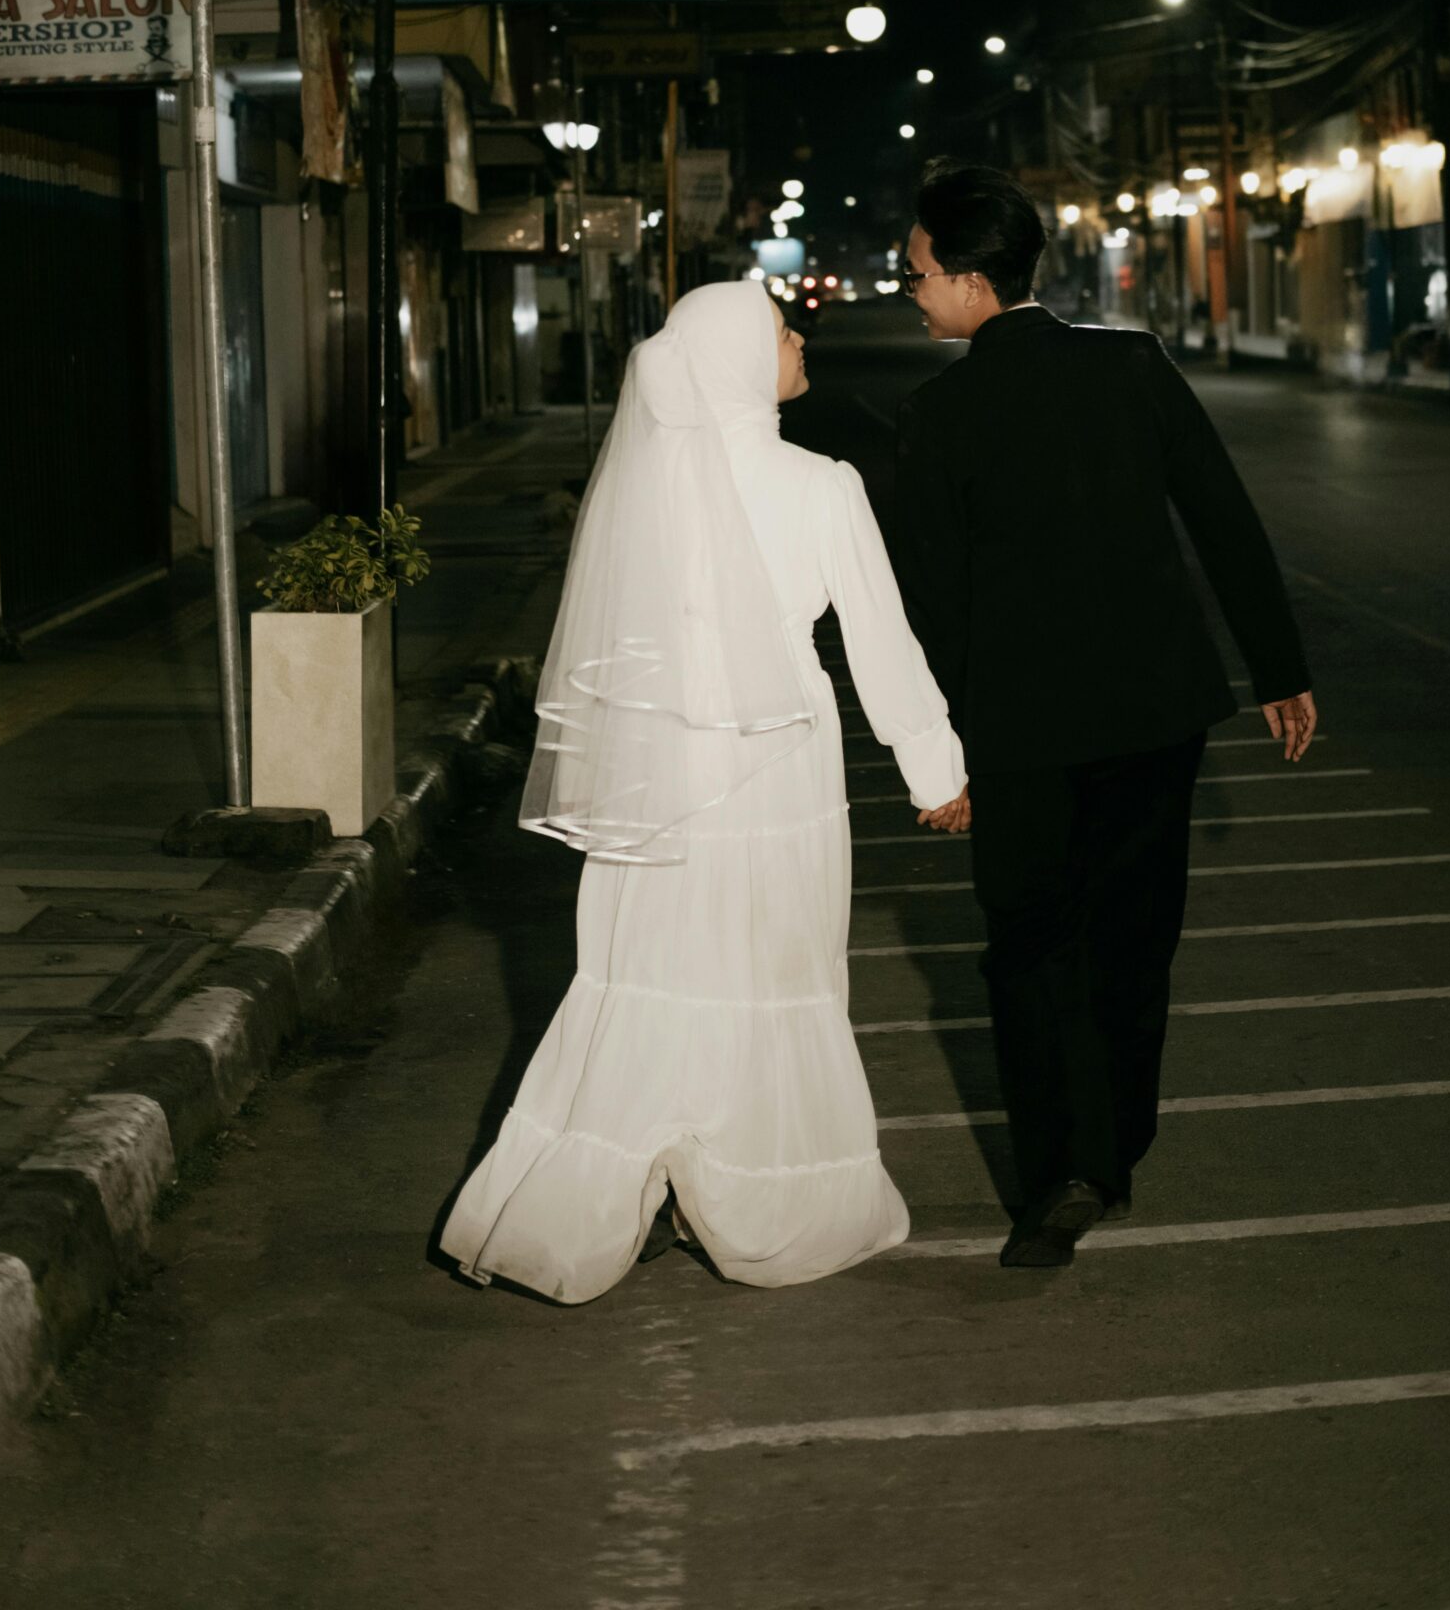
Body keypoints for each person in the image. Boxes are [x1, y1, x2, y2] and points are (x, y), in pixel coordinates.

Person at [440, 279, 966, 1304]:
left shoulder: (649, 482)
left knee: (649, 973)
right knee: (772, 970)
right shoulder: (820, 483)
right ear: (737, 359)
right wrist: (934, 768)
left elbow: (616, 644)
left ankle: (613, 1190)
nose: (799, 335)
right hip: (779, 775)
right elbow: (879, 642)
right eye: (780, 328)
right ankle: (753, 1198)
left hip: (662, 773)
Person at [893, 162, 1316, 1271]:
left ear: (976, 281)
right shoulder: (1131, 364)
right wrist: (1278, 667)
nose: (912, 289)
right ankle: (1116, 1144)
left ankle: (1058, 1177)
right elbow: (1220, 513)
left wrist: (943, 749)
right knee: (1133, 938)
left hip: (1022, 728)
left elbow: (934, 607)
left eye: (920, 273)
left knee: (1031, 948)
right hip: (1153, 714)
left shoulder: (940, 414)